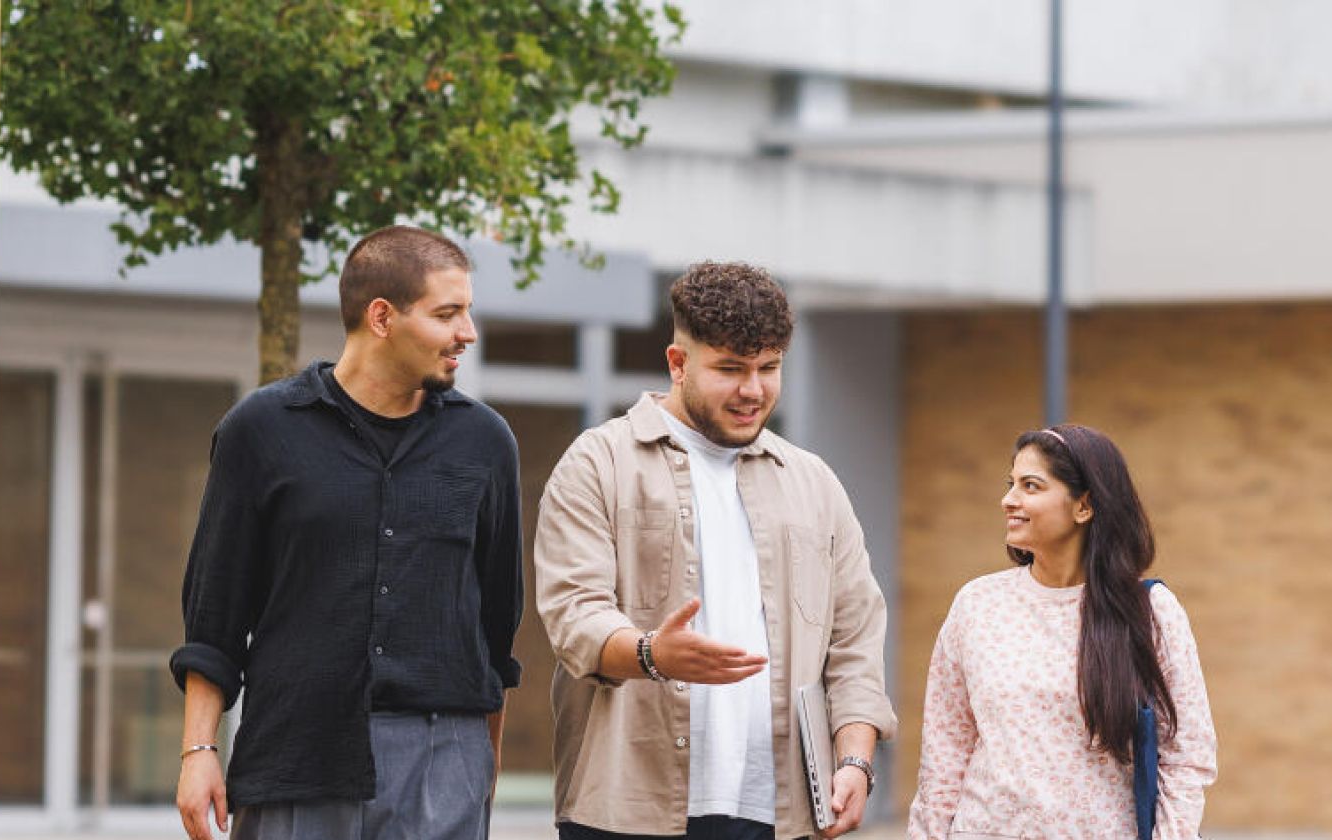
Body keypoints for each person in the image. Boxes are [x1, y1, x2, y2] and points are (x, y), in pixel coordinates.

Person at [170, 225, 527, 840]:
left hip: (443, 762)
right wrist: (198, 750)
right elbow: (216, 613)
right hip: (295, 755)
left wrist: (480, 761)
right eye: (448, 314)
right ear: (382, 316)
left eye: (467, 312)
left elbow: (496, 625)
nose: (466, 333)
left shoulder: (486, 443)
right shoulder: (260, 430)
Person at [533, 261, 896, 840]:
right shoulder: (598, 462)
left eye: (769, 368)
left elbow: (855, 641)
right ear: (678, 364)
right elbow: (575, 613)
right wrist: (653, 653)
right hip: (627, 806)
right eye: (730, 369)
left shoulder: (814, 482)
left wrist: (854, 759)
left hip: (778, 813)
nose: (753, 391)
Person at [910, 424, 1217, 839]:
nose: (1008, 500)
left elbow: (1186, 755)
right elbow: (946, 751)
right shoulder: (976, 604)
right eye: (1010, 483)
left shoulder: (1148, 612)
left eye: (1031, 486)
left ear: (1084, 506)